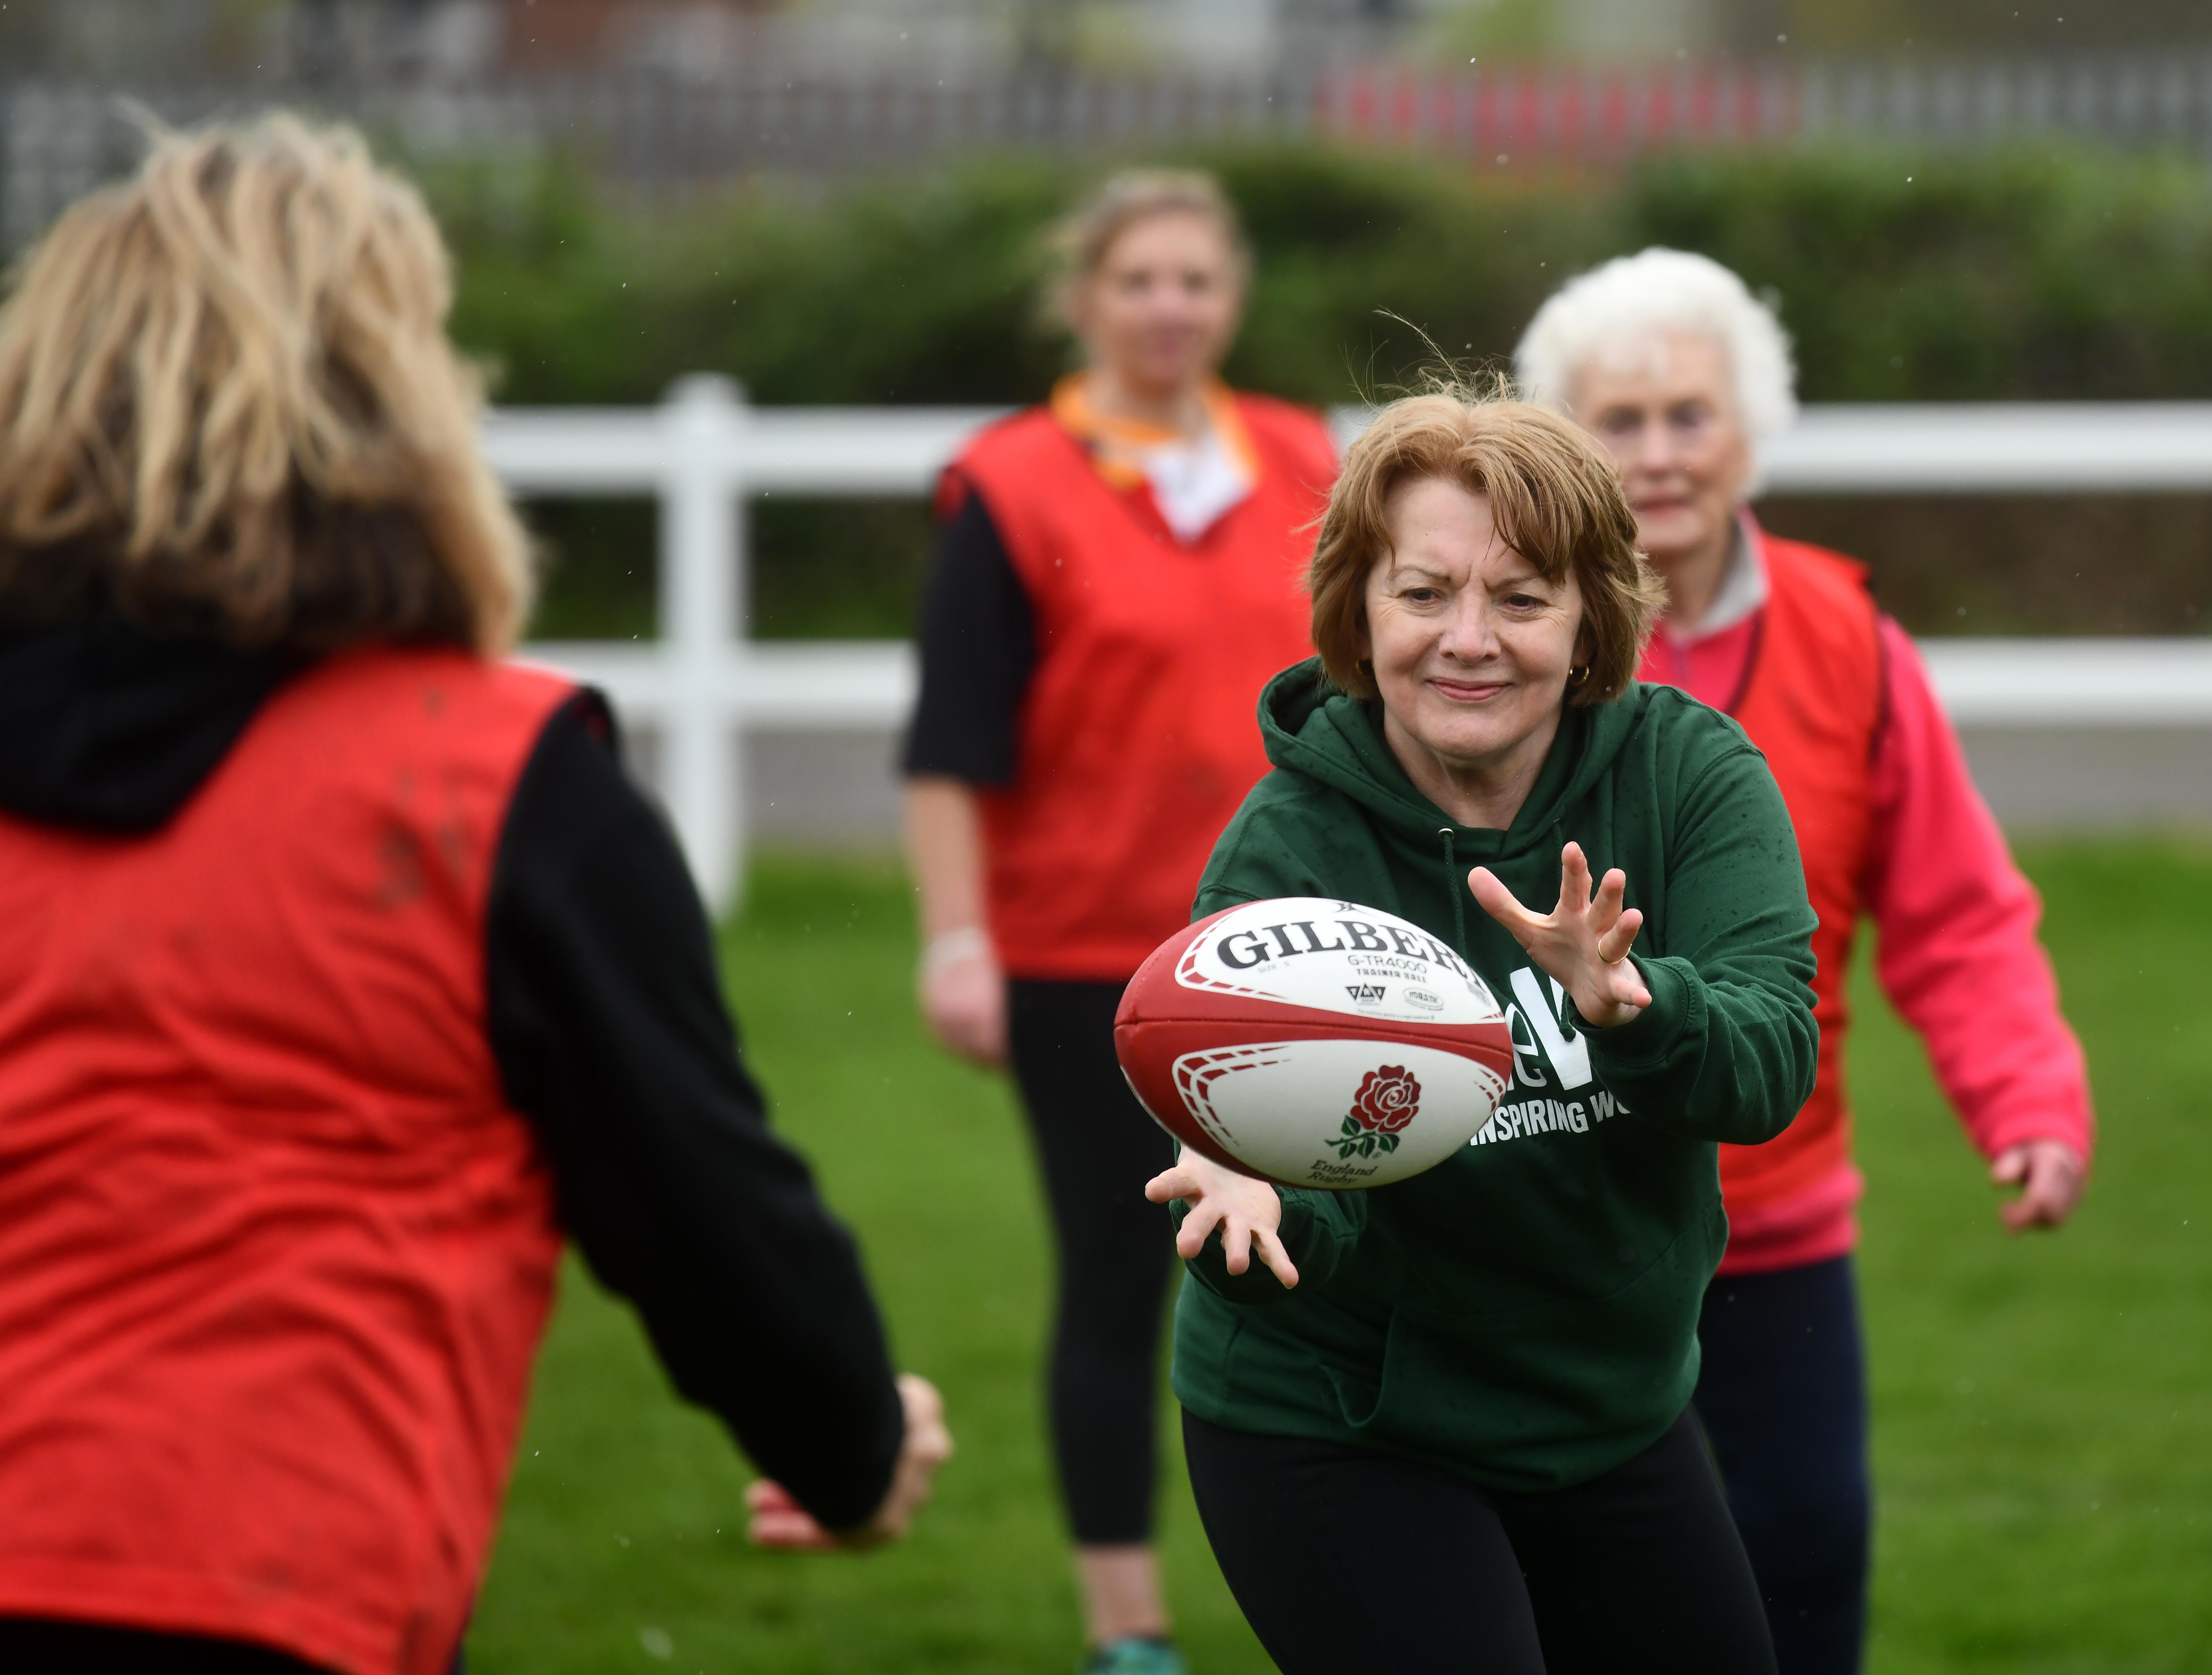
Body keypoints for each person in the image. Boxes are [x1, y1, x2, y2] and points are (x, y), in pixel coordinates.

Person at [0, 116, 948, 1675]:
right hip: (272, 1590)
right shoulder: (493, 785)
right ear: (397, 403)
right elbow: (709, 1218)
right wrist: (851, 1443)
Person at [1146, 390, 1820, 1675]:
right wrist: (1262, 1204)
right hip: (1343, 1418)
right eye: (1422, 594)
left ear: (1589, 625)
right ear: (1357, 609)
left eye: (1519, 599)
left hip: (1605, 1402)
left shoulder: (1687, 777)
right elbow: (1301, 1205)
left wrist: (1634, 1008)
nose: (1468, 641)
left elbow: (1767, 1063)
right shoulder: (1289, 852)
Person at [1514, 248, 2095, 1675]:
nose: (1656, 456)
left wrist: (2025, 1098)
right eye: (1618, 422)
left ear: (1749, 428)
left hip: (1774, 1228)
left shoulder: (1853, 644)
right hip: (1543, 1225)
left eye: (1688, 416)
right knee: (1567, 1607)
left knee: (1801, 1570)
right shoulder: (1498, 644)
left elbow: (1957, 913)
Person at [900, 169, 1336, 1674]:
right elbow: (952, 748)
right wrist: (957, 940)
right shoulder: (1015, 484)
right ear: (1085, 297)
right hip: (1088, 961)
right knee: (1117, 1284)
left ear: (1234, 297)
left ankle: (1368, 1593)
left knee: (1325, 1269)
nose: (1168, 308)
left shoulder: (1300, 459)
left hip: (1302, 952)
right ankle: (1129, 1632)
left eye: (1195, 281)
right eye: (1138, 279)